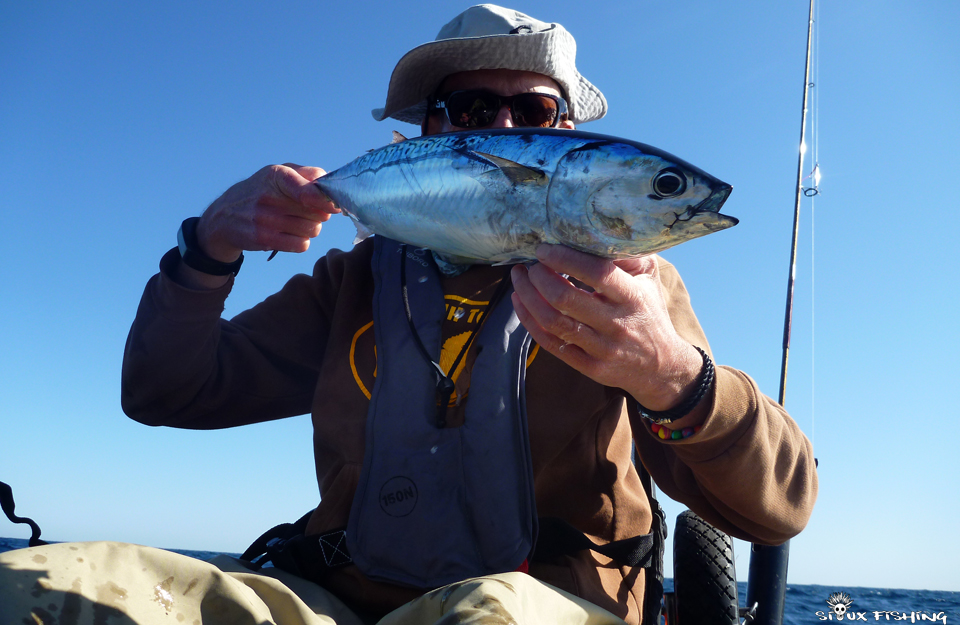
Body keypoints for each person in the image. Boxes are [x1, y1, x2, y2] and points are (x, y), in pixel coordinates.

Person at [0, 5, 816, 625]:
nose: (502, 128)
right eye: (469, 112)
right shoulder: (349, 282)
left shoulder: (638, 290)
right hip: (336, 602)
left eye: (531, 114)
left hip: (544, 602)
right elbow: (163, 392)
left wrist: (675, 376)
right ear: (429, 136)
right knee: (31, 592)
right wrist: (207, 246)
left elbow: (776, 507)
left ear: (568, 141)